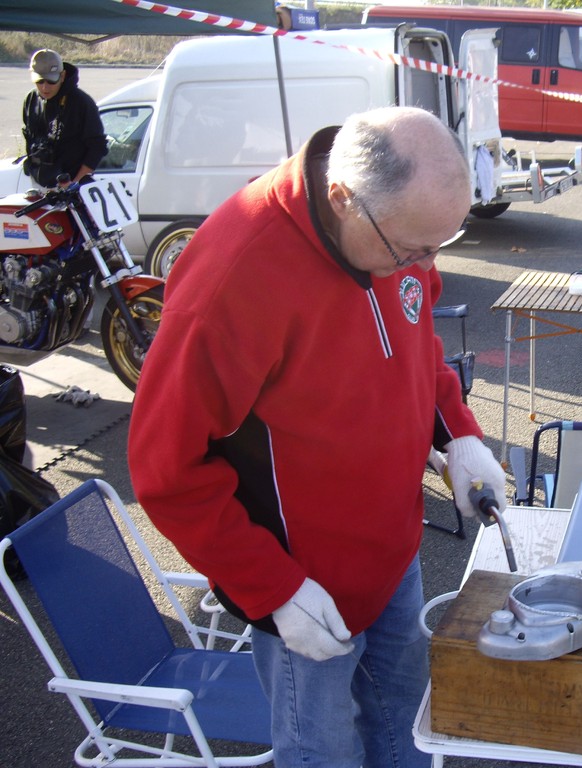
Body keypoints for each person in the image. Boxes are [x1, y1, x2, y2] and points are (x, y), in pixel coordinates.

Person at [127, 106, 507, 768]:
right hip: (306, 586)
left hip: (394, 553)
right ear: (342, 198)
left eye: (436, 249)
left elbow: (418, 346)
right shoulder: (233, 279)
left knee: (407, 726)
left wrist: (460, 435)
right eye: (412, 251)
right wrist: (274, 590)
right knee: (321, 750)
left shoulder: (397, 227)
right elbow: (166, 470)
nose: (422, 266)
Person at [21, 49, 107, 188]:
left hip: (71, 185)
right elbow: (29, 137)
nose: (45, 87)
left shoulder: (81, 102)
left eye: (51, 81)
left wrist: (75, 184)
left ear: (62, 75)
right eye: (39, 80)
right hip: (38, 182)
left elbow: (98, 147)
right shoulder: (31, 99)